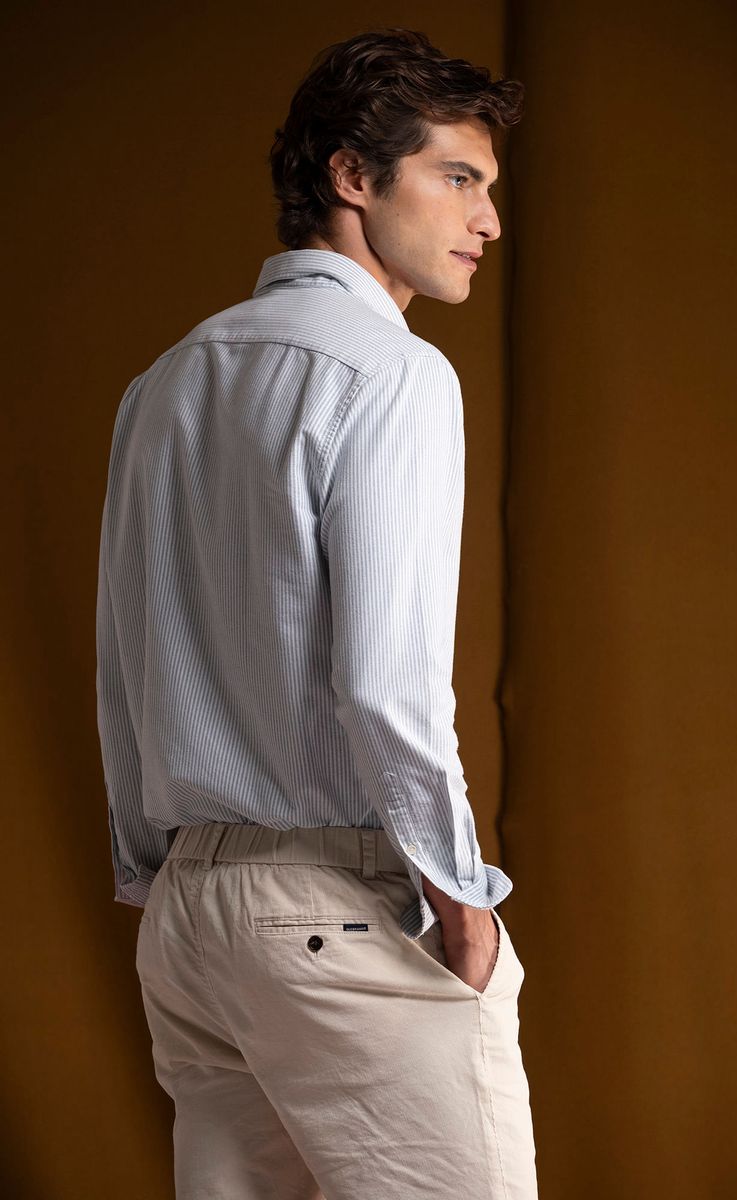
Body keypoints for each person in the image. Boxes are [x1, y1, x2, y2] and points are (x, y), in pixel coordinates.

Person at [95, 25, 537, 1199]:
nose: (487, 221)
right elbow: (385, 683)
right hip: (330, 908)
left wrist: (155, 876)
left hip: (191, 916)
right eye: (457, 178)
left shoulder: (165, 381)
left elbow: (126, 657)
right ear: (351, 174)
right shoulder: (390, 371)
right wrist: (461, 901)